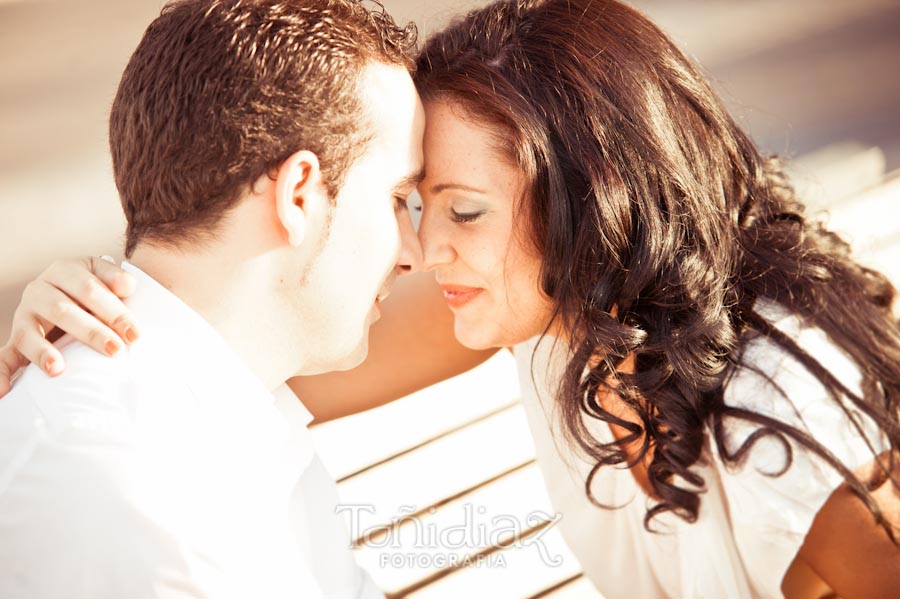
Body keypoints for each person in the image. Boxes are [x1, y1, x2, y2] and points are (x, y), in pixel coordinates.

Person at [4, 0, 900, 597]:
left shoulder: (786, 430)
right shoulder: (543, 308)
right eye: (412, 201)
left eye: (459, 210)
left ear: (586, 214)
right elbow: (226, 343)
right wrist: (91, 325)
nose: (423, 251)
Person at [0, 0, 425, 597]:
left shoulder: (236, 415)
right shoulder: (140, 497)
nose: (415, 252)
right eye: (398, 198)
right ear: (299, 194)